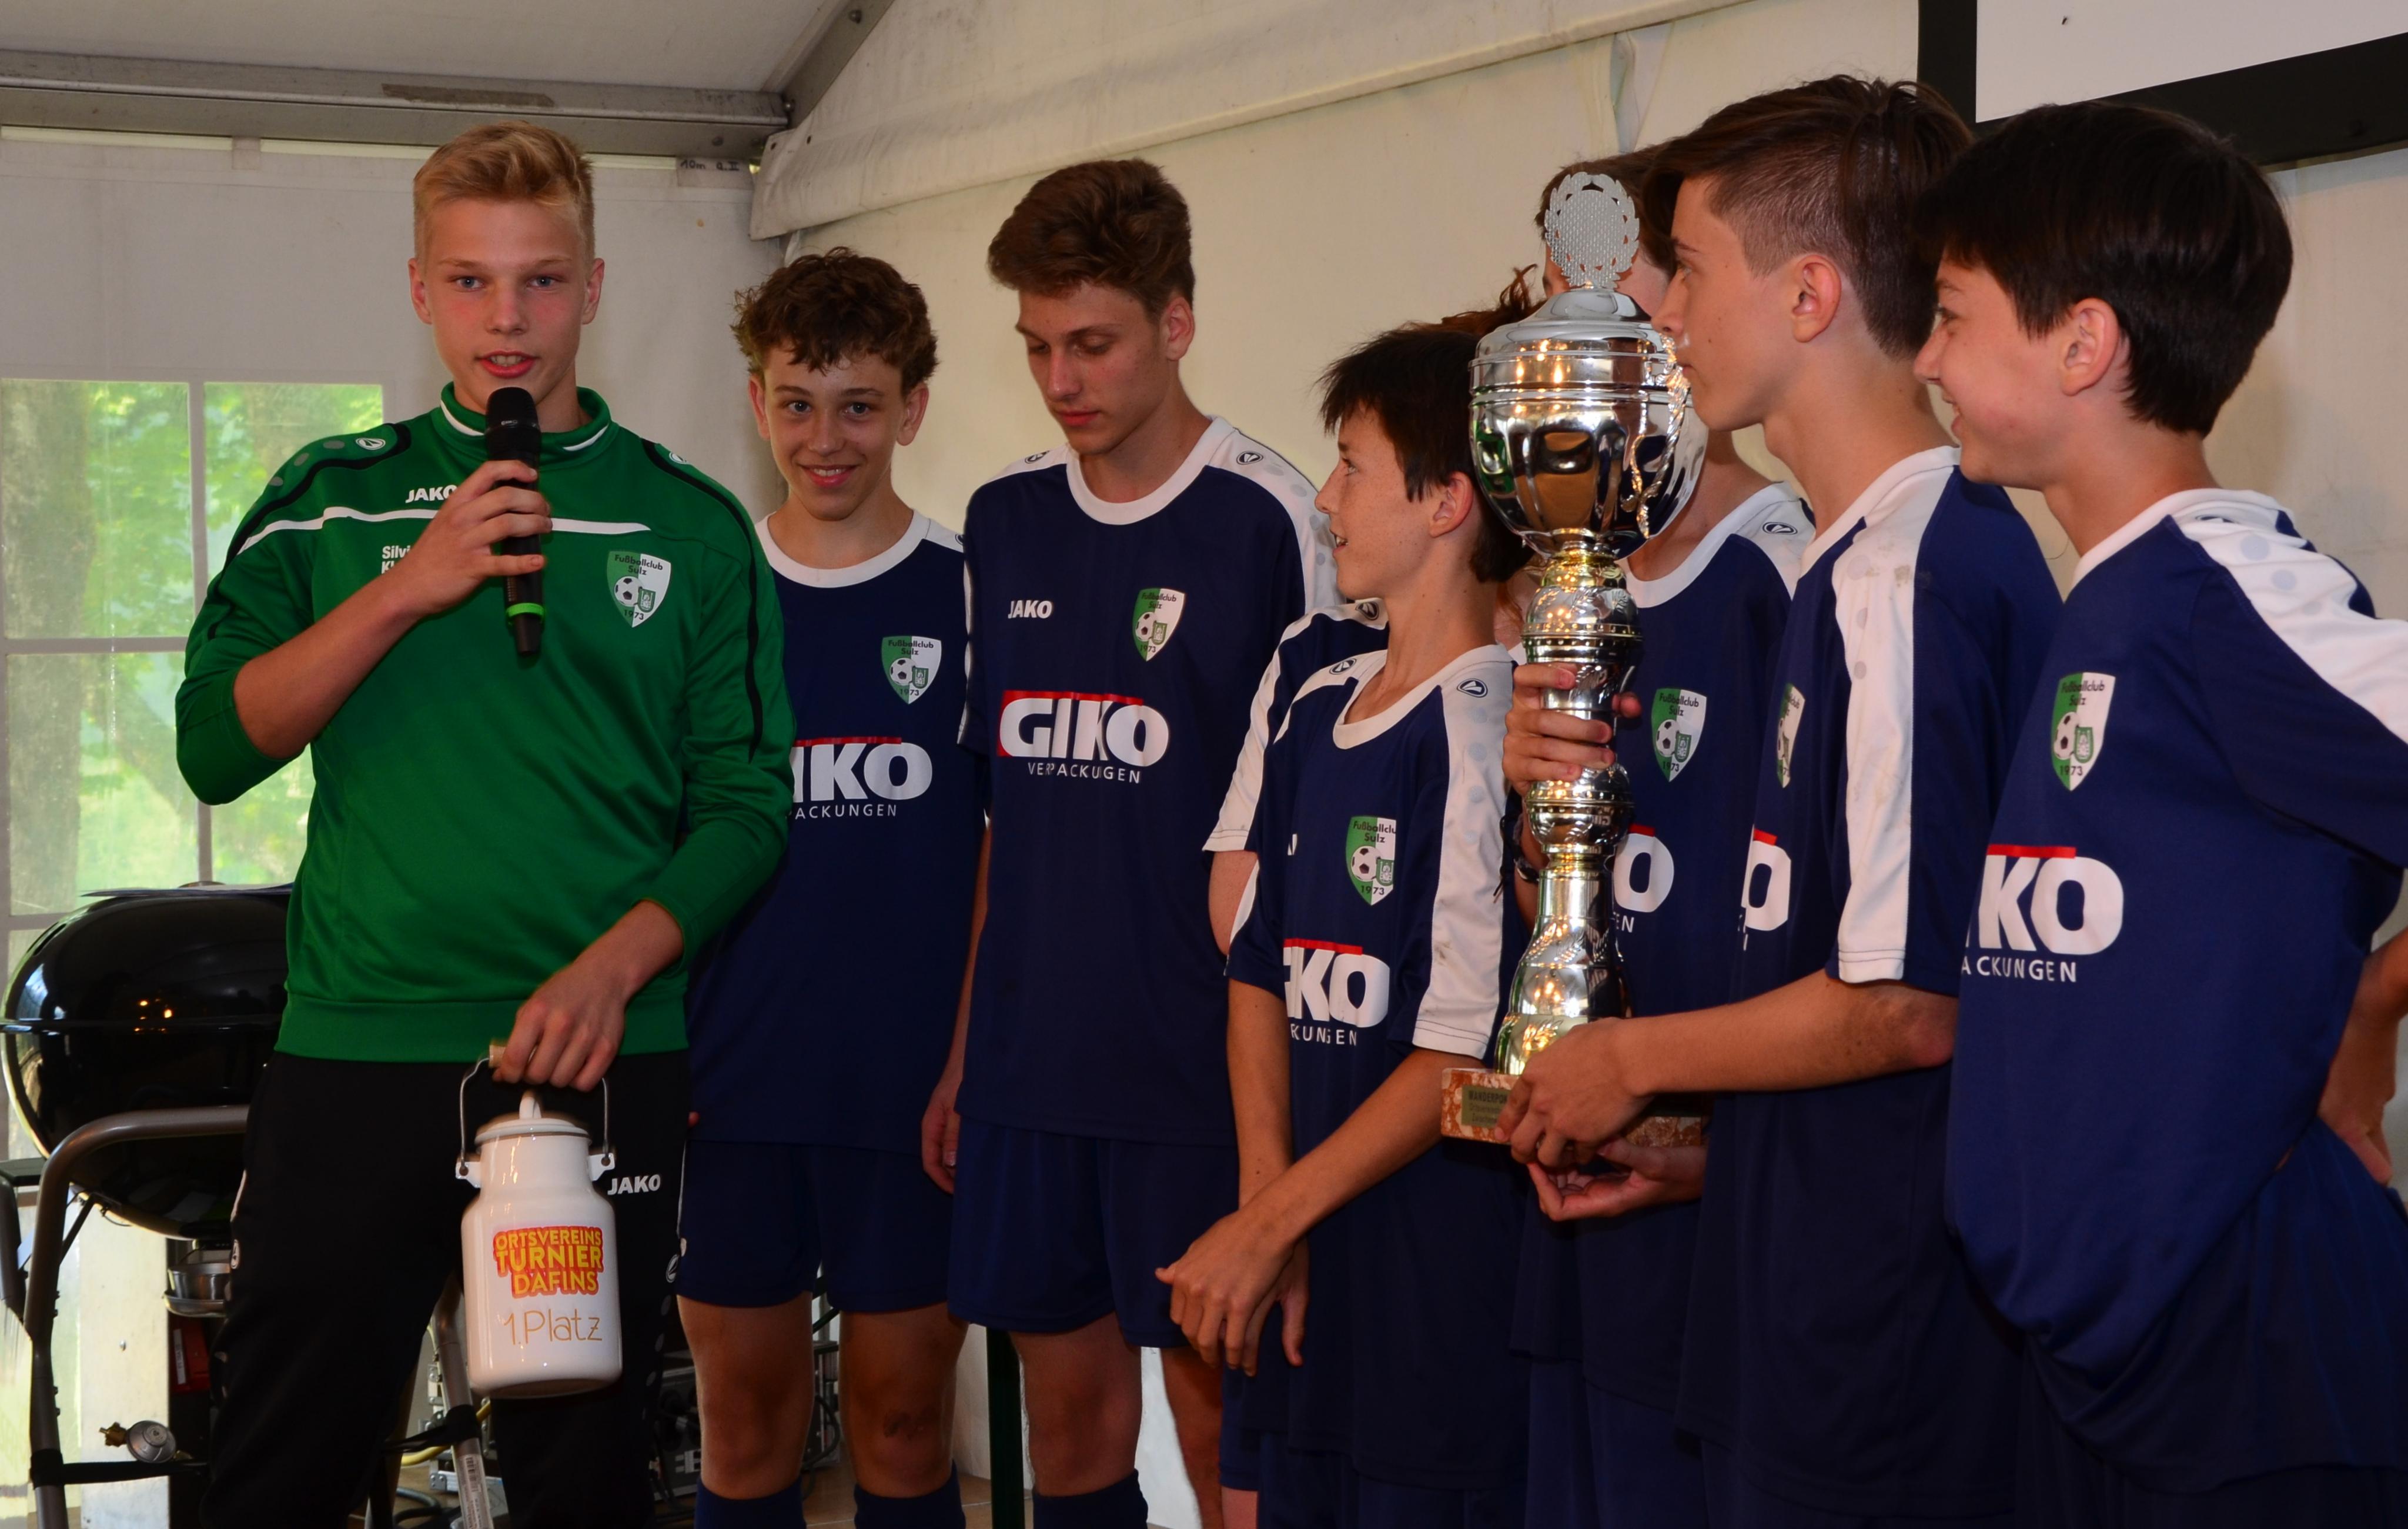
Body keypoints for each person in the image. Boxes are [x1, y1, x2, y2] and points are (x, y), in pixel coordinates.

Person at [177, 121, 792, 1528]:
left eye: (540, 281)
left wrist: (611, 972)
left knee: (580, 1480)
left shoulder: (691, 525)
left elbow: (750, 807)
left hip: (590, 1060)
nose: (505, 319)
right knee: (281, 1468)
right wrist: (409, 582)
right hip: (359, 1047)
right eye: (469, 281)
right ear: (418, 290)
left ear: (594, 289)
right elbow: (215, 746)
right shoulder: (326, 503)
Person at [1496, 77, 2061, 1527]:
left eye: (1686, 272)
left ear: (1807, 295)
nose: (1665, 318)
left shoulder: (1904, 572)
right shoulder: (1850, 560)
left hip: (1881, 1329)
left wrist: (1625, 1059)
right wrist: (1700, 1152)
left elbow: (1908, 1005)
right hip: (1804, 1278)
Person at [1915, 101, 2408, 1527]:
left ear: (2080, 344)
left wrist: (2372, 1002)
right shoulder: (2112, 599)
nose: (1926, 357)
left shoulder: (2224, 596)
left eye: (1949, 316)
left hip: (2248, 1365)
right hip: (2096, 1364)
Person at [927, 158, 1335, 1529]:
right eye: (1036, 346)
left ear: (1176, 322)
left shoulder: (1272, 520)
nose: (1060, 379)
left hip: (1198, 1070)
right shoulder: (1004, 519)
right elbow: (1003, 821)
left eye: (1091, 343)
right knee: (1069, 1429)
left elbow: (1311, 830)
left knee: (1219, 1427)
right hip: (1034, 1065)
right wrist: (968, 1052)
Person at [1160, 307, 1528, 1528]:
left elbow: (1456, 1057)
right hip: (1300, 1256)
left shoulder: (1487, 728)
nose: (1324, 499)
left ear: (1447, 501)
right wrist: (1272, 1216)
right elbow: (1255, 971)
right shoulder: (1316, 702)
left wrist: (1270, 1220)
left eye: (1353, 467)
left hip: (1427, 1284)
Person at [1502, 149, 1808, 1529]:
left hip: (1717, 1192)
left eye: (1621, 300)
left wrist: (1705, 1127)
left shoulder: (1786, 564)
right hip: (1580, 1154)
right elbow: (1561, 904)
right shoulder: (1569, 582)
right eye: (1556, 302)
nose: (1587, 342)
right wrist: (1534, 815)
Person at [678, 251, 978, 1529]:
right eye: (797, 404)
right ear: (758, 404)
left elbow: (1002, 854)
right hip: (733, 1080)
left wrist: (968, 1056)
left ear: (912, 408)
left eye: (858, 405)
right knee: (744, 1424)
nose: (825, 438)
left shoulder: (969, 590)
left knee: (903, 1429)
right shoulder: (708, 598)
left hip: (907, 1093)